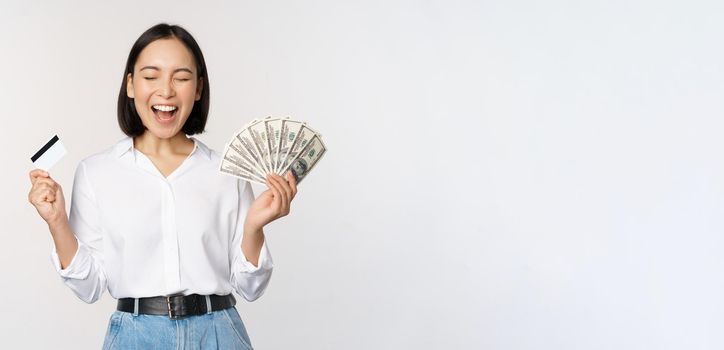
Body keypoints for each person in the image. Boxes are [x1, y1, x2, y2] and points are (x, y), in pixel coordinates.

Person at [27, 23, 298, 349]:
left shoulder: (227, 171)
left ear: (198, 88)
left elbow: (251, 288)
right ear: (130, 85)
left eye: (181, 78)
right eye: (151, 76)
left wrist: (254, 227)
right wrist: (57, 222)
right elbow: (89, 288)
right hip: (135, 336)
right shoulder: (96, 172)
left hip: (218, 334)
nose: (166, 91)